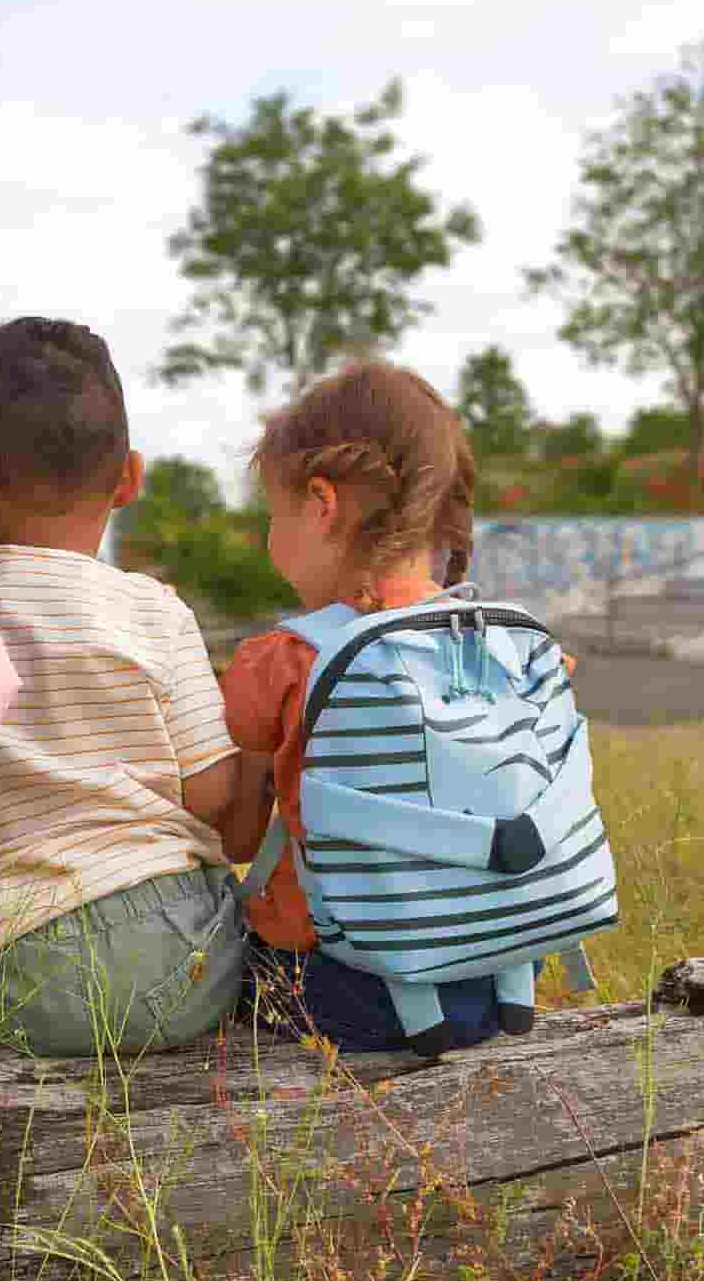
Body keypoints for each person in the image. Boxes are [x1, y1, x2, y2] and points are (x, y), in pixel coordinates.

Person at [214, 360, 576, 1056]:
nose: (268, 536)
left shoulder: (282, 662)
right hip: (500, 980)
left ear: (320, 504)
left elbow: (235, 840)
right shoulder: (512, 647)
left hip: (342, 996)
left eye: (272, 515)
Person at [0, 317, 247, 1057]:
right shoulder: (154, 610)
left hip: (12, 969)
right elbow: (210, 794)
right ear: (129, 478)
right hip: (183, 956)